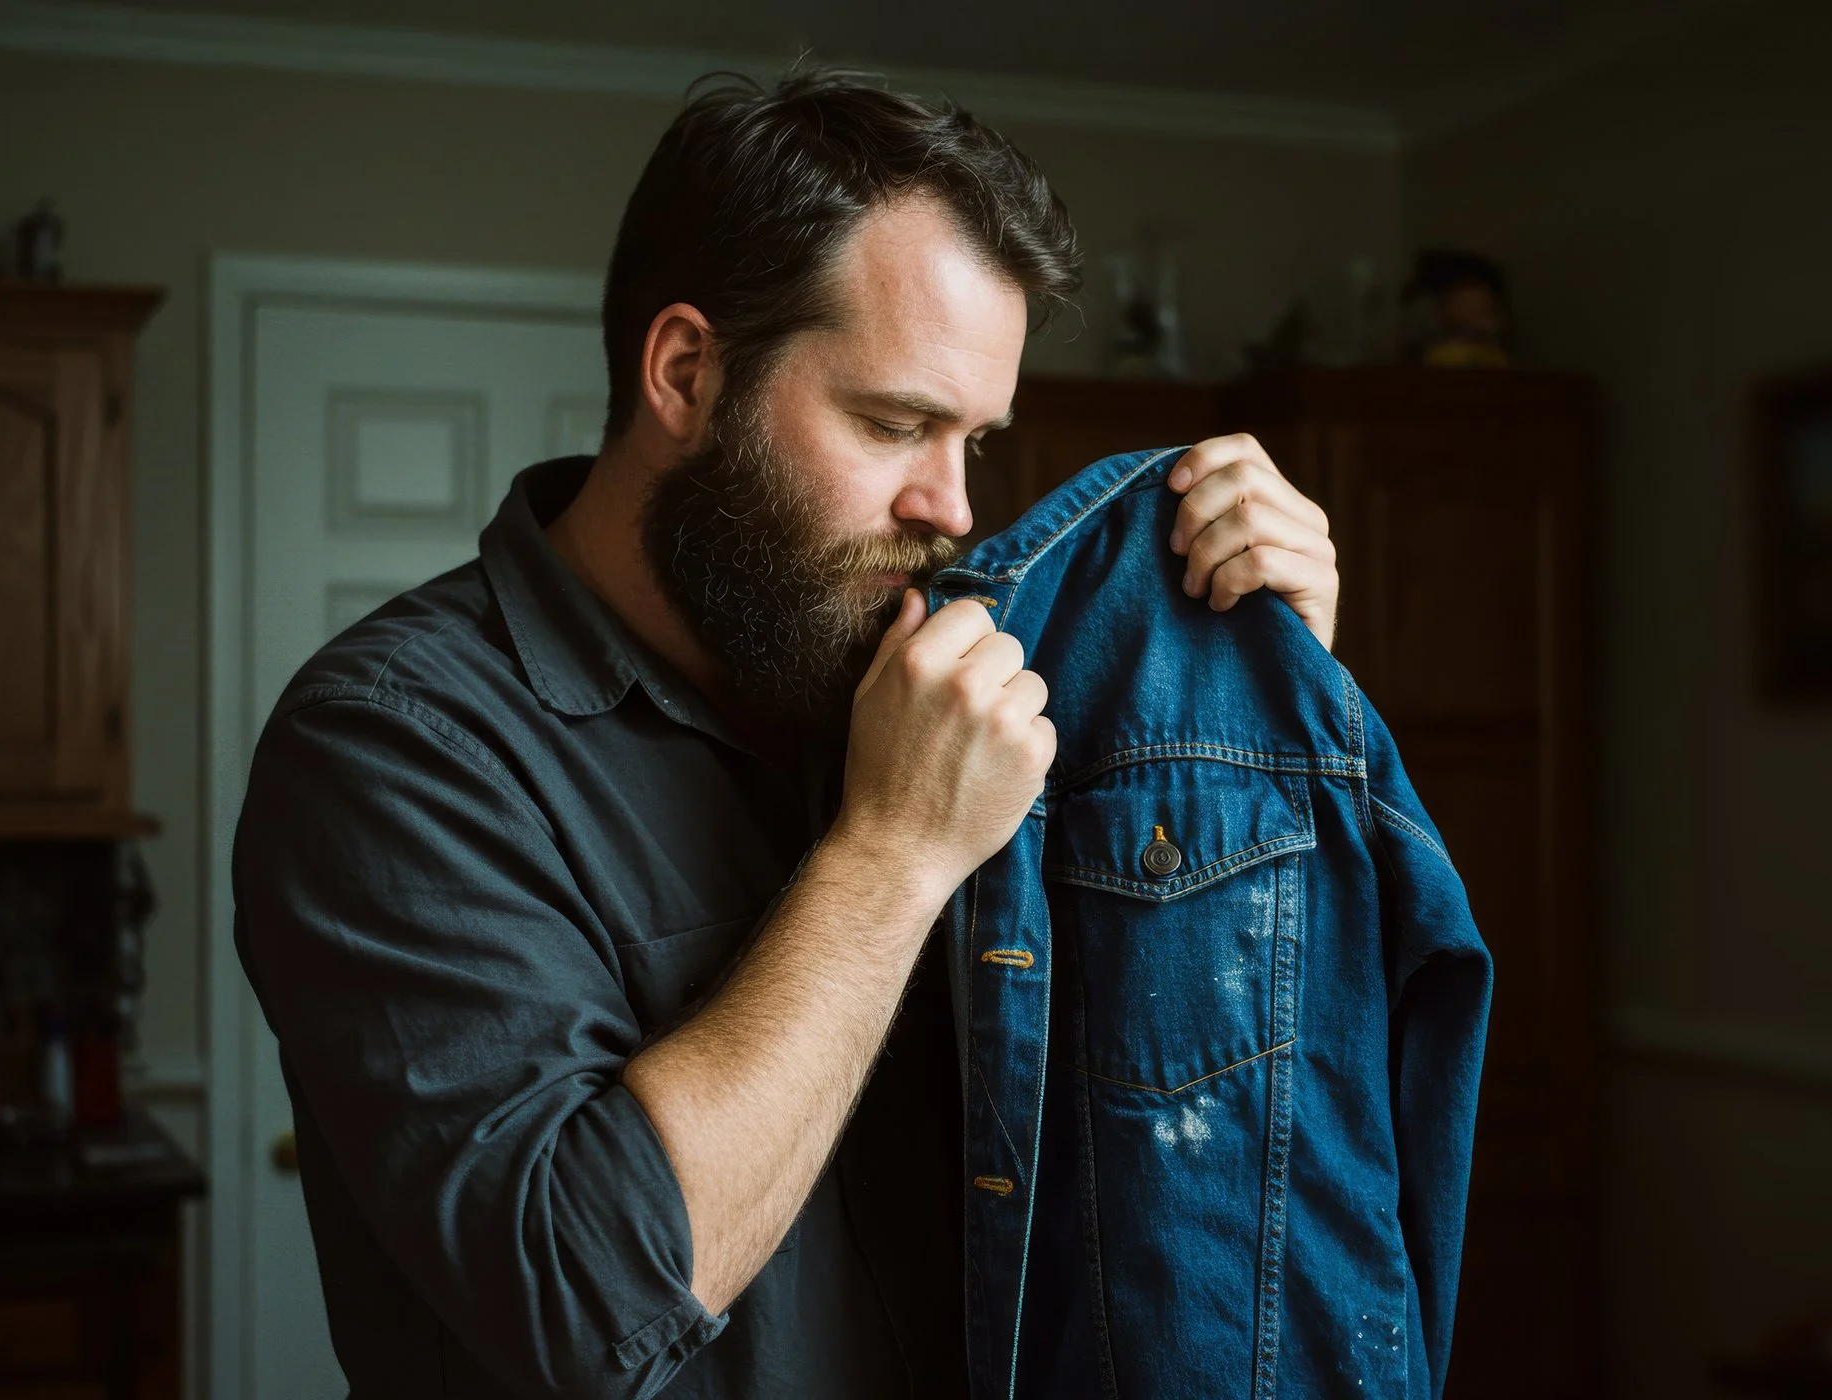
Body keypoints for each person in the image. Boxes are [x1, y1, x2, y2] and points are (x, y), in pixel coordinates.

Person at [234, 68, 1340, 1400]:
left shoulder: (925, 673)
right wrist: (889, 861)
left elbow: (1182, 1116)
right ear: (688, 374)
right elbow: (588, 1302)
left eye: (975, 439)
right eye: (893, 423)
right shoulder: (393, 746)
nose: (952, 506)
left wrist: (1258, 694)